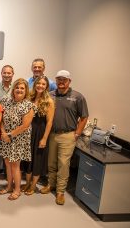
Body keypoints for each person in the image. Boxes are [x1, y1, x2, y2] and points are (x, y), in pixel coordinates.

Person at [41, 70, 88, 205]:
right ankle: (51, 184)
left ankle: (60, 191)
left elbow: (84, 117)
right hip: (52, 134)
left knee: (63, 164)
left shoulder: (77, 97)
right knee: (51, 162)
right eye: (59, 79)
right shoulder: (50, 95)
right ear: (55, 80)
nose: (61, 82)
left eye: (64, 80)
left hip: (68, 135)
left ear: (69, 81)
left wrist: (77, 133)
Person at [0, 78, 34, 201]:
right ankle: (9, 186)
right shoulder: (5, 101)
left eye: (22, 88)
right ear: (13, 89)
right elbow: (1, 119)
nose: (19, 90)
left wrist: (9, 135)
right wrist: (3, 133)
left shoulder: (29, 105)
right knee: (7, 164)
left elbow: (25, 125)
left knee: (15, 165)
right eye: (17, 87)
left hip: (18, 139)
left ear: (26, 91)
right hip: (5, 137)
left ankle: (17, 190)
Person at [21, 76, 55, 196]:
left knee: (37, 160)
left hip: (40, 132)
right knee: (28, 159)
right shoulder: (29, 98)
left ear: (46, 86)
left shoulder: (49, 101)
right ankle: (27, 182)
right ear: (35, 84)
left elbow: (50, 122)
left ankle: (33, 185)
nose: (40, 85)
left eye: (43, 84)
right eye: (38, 83)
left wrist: (44, 138)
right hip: (28, 132)